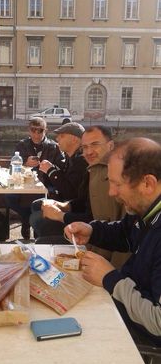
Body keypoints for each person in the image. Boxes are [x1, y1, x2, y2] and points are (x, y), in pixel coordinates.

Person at [64, 138, 161, 346]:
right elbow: (125, 233)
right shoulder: (144, 208)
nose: (111, 193)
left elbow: (158, 323)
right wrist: (92, 230)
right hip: (122, 304)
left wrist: (111, 279)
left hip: (138, 336)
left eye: (118, 184)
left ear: (148, 183)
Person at [30, 126, 129, 269]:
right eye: (85, 147)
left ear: (111, 145)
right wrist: (66, 206)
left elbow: (101, 220)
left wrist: (61, 216)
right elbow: (85, 201)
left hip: (99, 249)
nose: (88, 152)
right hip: (95, 235)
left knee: (40, 228)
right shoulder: (93, 168)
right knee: (37, 209)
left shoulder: (104, 171)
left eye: (95, 145)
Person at [5, 117, 65, 239]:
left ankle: (36, 228)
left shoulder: (54, 147)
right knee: (8, 196)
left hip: (47, 184)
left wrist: (50, 167)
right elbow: (10, 168)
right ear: (29, 131)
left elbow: (62, 169)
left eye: (40, 130)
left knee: (44, 197)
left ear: (45, 131)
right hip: (23, 184)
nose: (36, 134)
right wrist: (25, 163)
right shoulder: (22, 145)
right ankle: (26, 218)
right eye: (33, 130)